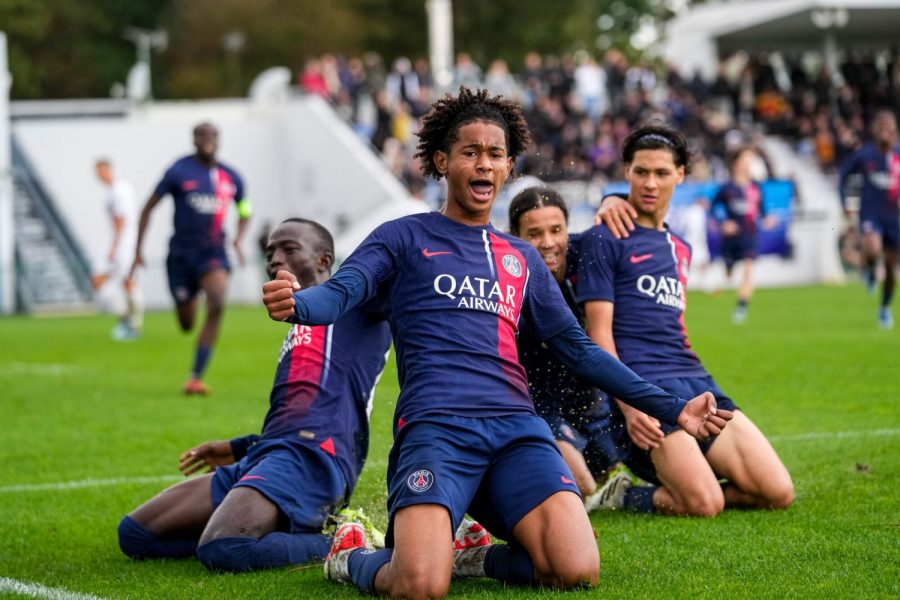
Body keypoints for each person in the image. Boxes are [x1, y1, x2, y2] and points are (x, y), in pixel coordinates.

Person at [262, 87, 731, 598]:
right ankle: (351, 556)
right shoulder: (402, 237)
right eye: (471, 152)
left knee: (574, 570)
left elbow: (580, 350)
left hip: (515, 431)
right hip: (437, 429)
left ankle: (472, 556)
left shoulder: (521, 259)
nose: (484, 165)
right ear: (442, 160)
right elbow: (339, 295)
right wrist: (298, 303)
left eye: (496, 155)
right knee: (419, 584)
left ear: (508, 167)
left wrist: (674, 408)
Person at [117, 218, 393, 572]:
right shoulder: (298, 323)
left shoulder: (359, 305)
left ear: (324, 261)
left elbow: (399, 292)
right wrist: (238, 447)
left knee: (224, 548)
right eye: (270, 252)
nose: (275, 258)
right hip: (268, 455)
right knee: (136, 535)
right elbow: (298, 414)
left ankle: (349, 538)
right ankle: (276, 522)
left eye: (289, 249)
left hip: (312, 461)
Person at [577, 122, 793, 517]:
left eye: (662, 173)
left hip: (696, 382)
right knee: (704, 504)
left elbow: (668, 324)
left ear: (680, 175)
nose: (650, 182)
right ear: (626, 171)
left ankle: (688, 472)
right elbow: (599, 334)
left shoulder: (681, 247)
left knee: (776, 491)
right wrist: (629, 406)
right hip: (643, 390)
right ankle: (624, 494)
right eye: (640, 171)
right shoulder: (603, 238)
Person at [507, 186, 622, 504]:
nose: (548, 242)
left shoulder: (583, 256)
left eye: (556, 230)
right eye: (534, 233)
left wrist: (612, 198)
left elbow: (614, 224)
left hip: (591, 403)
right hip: (539, 408)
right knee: (583, 486)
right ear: (515, 235)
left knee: (611, 466)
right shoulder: (506, 279)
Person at [130, 122, 251, 394]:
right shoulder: (178, 171)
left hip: (213, 254)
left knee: (218, 303)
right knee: (186, 324)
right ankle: (190, 294)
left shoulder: (231, 177)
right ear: (194, 140)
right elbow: (148, 208)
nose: (208, 140)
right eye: (202, 135)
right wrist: (138, 249)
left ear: (218, 140)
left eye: (213, 136)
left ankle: (195, 376)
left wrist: (239, 238)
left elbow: (246, 208)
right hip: (181, 256)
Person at [838, 109, 900, 329]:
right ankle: (871, 270)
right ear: (875, 130)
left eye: (889, 126)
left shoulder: (898, 156)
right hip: (871, 214)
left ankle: (884, 309)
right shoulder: (865, 155)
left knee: (892, 268)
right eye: (881, 126)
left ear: (894, 130)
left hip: (894, 218)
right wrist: (844, 202)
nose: (885, 131)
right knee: (872, 247)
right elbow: (843, 175)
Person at [712, 146, 777, 325]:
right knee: (729, 272)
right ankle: (722, 279)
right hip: (731, 239)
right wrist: (723, 223)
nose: (749, 164)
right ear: (736, 163)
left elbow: (762, 212)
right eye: (745, 159)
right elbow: (714, 208)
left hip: (750, 235)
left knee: (749, 270)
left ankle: (741, 308)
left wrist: (768, 220)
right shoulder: (727, 188)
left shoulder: (755, 188)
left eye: (751, 160)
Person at [92, 158, 143, 341]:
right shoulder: (108, 192)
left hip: (124, 241)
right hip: (114, 239)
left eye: (101, 170)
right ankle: (124, 319)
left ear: (109, 169)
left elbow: (122, 219)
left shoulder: (121, 190)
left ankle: (134, 325)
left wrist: (115, 245)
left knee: (128, 282)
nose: (99, 175)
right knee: (98, 280)